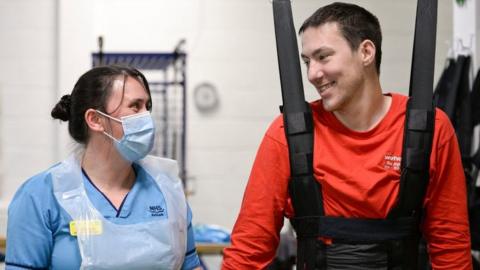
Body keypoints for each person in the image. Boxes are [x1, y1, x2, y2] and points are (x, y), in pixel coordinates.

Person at [222, 2, 472, 269]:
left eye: (323, 57)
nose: (312, 74)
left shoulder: (429, 130)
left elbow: (451, 244)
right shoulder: (288, 133)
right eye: (307, 61)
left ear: (366, 51)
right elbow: (250, 246)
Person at [5, 65, 202, 269]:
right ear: (96, 120)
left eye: (147, 106)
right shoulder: (40, 196)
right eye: (135, 106)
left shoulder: (168, 189)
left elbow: (190, 264)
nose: (146, 117)